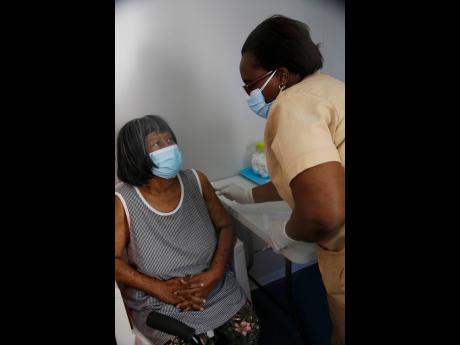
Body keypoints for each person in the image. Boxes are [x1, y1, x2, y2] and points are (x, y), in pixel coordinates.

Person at [215, 15, 345, 344]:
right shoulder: (329, 88)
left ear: (282, 75)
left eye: (251, 85)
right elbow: (309, 176)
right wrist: (249, 195)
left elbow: (324, 211)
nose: (249, 95)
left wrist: (285, 232)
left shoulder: (291, 105)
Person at [115, 115, 260, 345]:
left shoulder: (196, 180)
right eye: (157, 144)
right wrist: (158, 288)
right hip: (158, 301)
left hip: (214, 287)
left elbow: (225, 226)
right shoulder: (123, 201)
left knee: (248, 331)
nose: (169, 147)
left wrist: (215, 273)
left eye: (170, 139)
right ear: (136, 154)